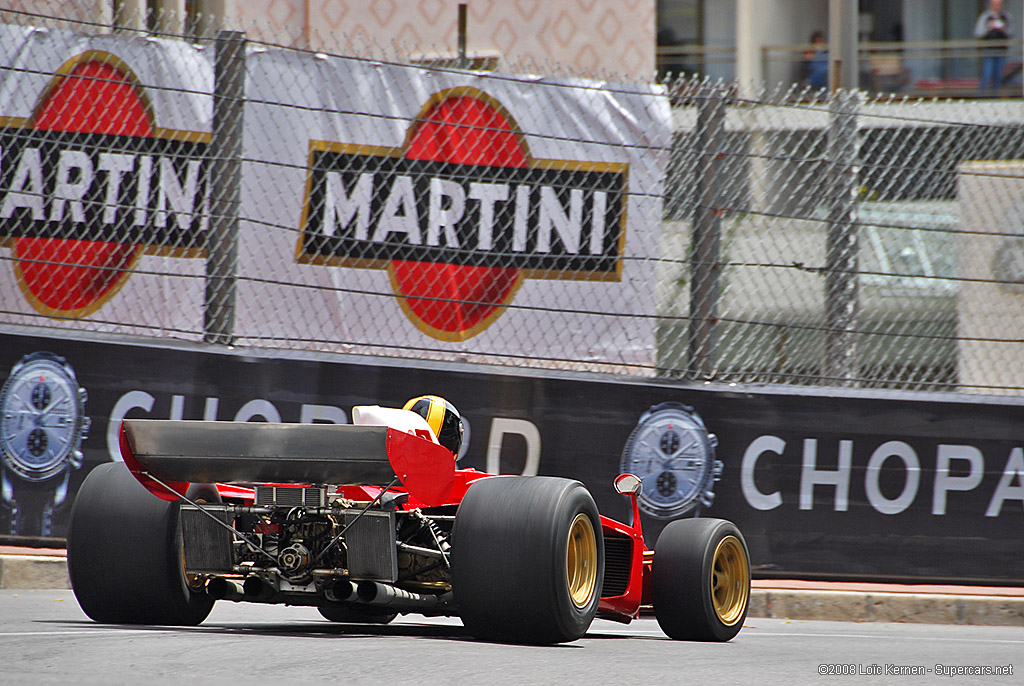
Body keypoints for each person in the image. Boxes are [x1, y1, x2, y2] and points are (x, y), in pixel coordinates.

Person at [975, 0, 1012, 91]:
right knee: (987, 72)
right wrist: (989, 28)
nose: (997, 6)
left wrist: (1003, 29)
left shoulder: (1006, 17)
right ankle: (983, 94)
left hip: (1001, 49)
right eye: (995, 4)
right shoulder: (986, 17)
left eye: (999, 4)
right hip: (989, 49)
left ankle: (996, 94)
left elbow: (1011, 32)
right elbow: (978, 33)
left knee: (998, 73)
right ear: (991, 5)